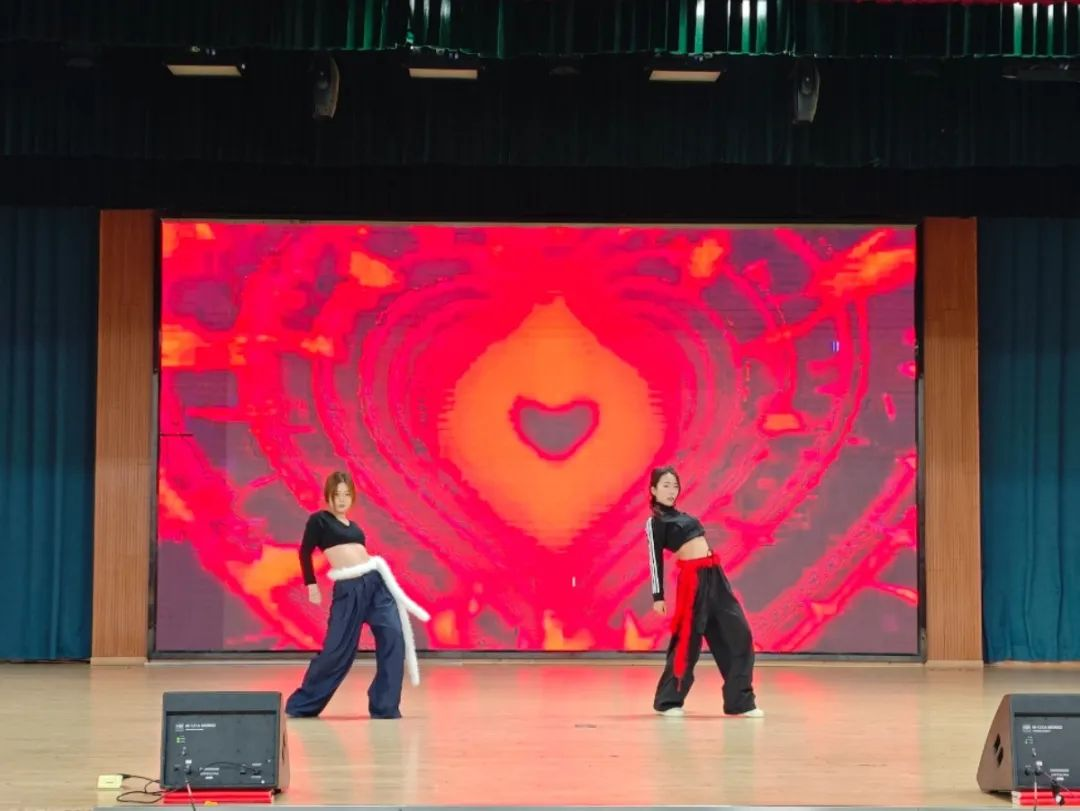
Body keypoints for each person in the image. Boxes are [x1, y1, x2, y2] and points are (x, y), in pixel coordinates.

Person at [285, 471, 430, 720]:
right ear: (328, 496)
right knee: (337, 651)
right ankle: (302, 704)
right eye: (337, 494)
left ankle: (385, 706)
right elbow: (305, 552)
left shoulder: (355, 528)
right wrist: (311, 585)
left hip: (376, 585)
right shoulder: (320, 520)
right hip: (349, 589)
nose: (342, 499)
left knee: (394, 637)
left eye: (346, 494)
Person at [646, 466, 763, 718]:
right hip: (692, 580)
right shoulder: (655, 522)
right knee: (687, 642)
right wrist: (658, 597)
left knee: (739, 634)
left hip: (715, 575)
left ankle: (740, 702)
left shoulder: (682, 516)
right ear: (653, 490)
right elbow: (655, 560)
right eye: (665, 485)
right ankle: (668, 702)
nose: (671, 490)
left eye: (674, 486)